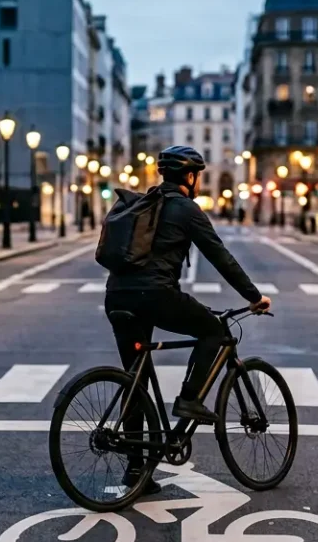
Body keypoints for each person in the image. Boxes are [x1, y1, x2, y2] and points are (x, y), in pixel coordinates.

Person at [105, 146, 271, 492]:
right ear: (191, 176)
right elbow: (220, 256)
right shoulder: (185, 208)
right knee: (213, 330)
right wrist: (254, 297)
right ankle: (189, 399)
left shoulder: (145, 202)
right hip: (154, 295)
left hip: (117, 297)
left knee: (135, 379)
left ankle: (136, 470)